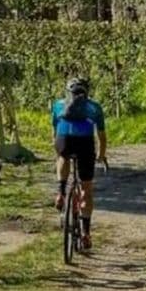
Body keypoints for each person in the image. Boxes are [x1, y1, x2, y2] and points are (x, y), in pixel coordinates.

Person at [52, 77, 107, 250]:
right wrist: (101, 154)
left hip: (64, 140)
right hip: (85, 144)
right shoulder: (95, 107)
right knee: (86, 189)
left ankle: (60, 192)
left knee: (63, 158)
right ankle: (85, 233)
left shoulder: (58, 105)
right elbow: (101, 136)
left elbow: (54, 130)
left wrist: (59, 150)